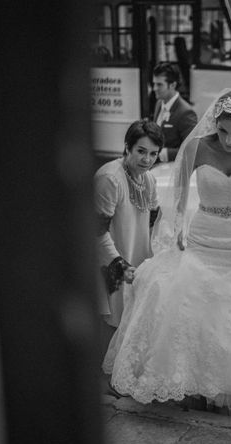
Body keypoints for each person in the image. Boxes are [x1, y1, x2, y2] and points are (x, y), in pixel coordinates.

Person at [103, 89, 231, 413]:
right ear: (215, 123)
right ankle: (192, 385)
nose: (228, 140)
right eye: (223, 131)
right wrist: (177, 227)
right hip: (202, 238)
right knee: (189, 304)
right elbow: (180, 191)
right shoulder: (198, 147)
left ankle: (226, 386)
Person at [94, 120, 164, 352]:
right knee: (112, 330)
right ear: (127, 147)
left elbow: (153, 219)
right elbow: (98, 232)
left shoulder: (149, 179)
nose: (147, 160)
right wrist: (120, 265)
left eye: (153, 154)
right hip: (111, 264)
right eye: (141, 151)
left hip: (137, 265)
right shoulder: (110, 179)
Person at [151, 62, 198, 163]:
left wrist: (163, 154)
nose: (154, 88)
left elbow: (192, 150)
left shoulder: (186, 113)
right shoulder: (159, 103)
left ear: (173, 85)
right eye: (154, 84)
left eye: (159, 84)